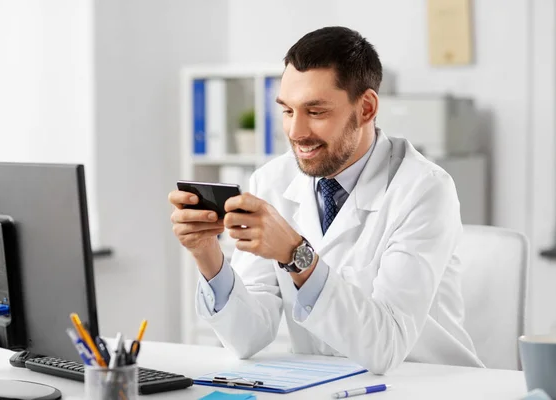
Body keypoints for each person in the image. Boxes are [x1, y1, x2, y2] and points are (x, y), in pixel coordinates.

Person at [168, 26, 483, 375]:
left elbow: (386, 347)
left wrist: (294, 254)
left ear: (366, 108)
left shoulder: (424, 189)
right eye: (287, 111)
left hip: (426, 383)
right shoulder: (270, 181)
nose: (295, 132)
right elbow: (248, 338)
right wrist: (207, 254)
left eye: (315, 112)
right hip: (325, 381)